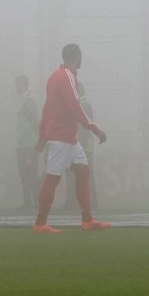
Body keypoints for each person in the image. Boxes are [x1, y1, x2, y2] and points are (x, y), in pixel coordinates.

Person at [33, 44, 109, 234]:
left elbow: (47, 107)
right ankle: (40, 223)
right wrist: (93, 127)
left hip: (67, 137)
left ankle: (87, 220)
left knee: (83, 172)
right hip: (61, 136)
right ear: (77, 57)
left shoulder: (54, 77)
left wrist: (42, 135)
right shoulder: (67, 76)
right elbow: (75, 104)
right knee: (52, 178)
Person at [61, 81, 98, 211]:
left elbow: (86, 127)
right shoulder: (77, 105)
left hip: (83, 146)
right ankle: (71, 201)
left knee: (85, 175)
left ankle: (91, 203)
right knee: (72, 175)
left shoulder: (84, 105)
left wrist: (80, 144)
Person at [14, 75, 40, 210]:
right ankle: (28, 202)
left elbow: (34, 120)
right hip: (23, 144)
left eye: (17, 85)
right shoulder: (23, 100)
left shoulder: (28, 100)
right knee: (25, 173)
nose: (15, 88)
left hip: (28, 144)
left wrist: (39, 138)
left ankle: (35, 202)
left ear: (22, 84)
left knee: (30, 173)